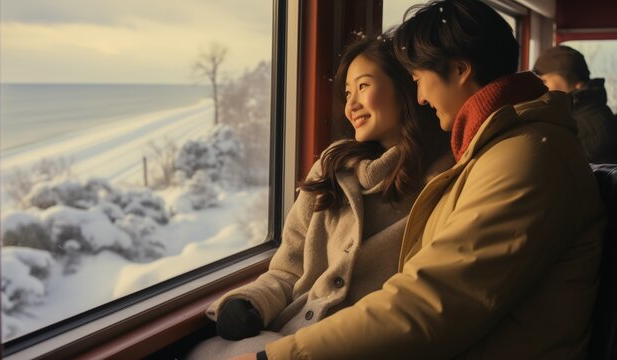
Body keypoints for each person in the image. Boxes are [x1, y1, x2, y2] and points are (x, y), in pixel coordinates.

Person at [229, 0, 606, 359]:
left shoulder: (525, 156)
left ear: (460, 71)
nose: (421, 97)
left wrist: (278, 357)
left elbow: (434, 302)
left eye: (419, 79)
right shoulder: (497, 149)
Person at [184, 37, 452, 360]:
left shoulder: (440, 183)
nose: (350, 105)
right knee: (202, 350)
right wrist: (251, 302)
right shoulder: (331, 168)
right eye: (348, 93)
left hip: (355, 346)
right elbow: (288, 270)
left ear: (405, 88)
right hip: (291, 333)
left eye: (363, 86)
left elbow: (419, 300)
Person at [533, 45, 617, 163]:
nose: (541, 88)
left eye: (545, 81)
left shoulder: (587, 125)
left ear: (578, 83)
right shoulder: (579, 113)